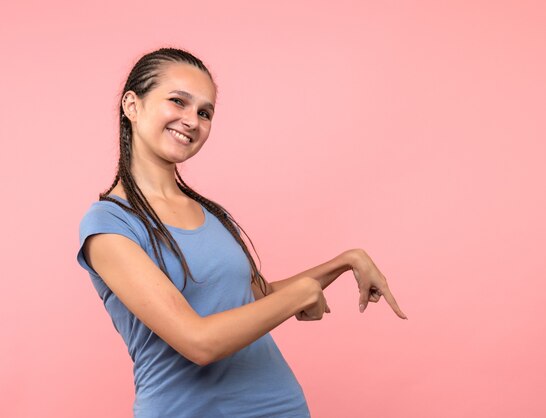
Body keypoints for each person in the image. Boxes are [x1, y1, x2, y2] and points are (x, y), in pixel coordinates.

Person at [76, 47, 407, 417]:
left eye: (204, 112)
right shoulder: (109, 224)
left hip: (280, 406)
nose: (192, 121)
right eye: (177, 102)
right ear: (132, 106)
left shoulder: (212, 215)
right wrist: (300, 294)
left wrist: (346, 261)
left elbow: (257, 300)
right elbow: (197, 341)